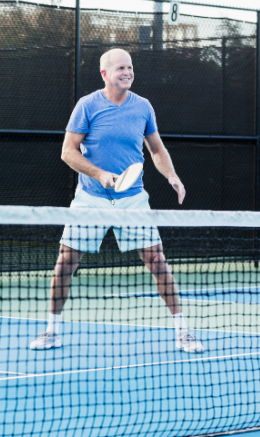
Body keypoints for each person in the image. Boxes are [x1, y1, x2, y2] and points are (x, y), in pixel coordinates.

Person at [30, 49, 204, 353]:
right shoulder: (87, 106)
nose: (127, 72)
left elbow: (157, 150)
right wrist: (99, 173)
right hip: (90, 199)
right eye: (121, 68)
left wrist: (171, 176)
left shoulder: (143, 107)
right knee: (65, 262)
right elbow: (68, 151)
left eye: (130, 67)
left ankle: (183, 332)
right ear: (105, 74)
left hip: (133, 200)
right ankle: (51, 331)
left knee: (157, 262)